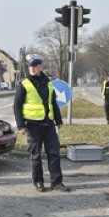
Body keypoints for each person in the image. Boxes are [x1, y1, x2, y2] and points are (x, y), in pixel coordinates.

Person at [13, 54, 69, 193]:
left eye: (35, 66)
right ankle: (38, 181)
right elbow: (17, 105)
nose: (32, 68)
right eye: (30, 66)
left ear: (41, 67)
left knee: (54, 153)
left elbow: (53, 103)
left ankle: (57, 182)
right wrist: (21, 125)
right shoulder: (24, 84)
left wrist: (58, 120)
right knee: (36, 155)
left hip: (48, 124)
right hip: (32, 125)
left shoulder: (48, 83)